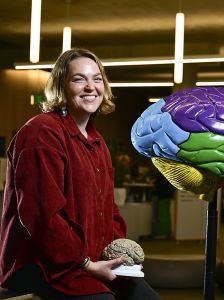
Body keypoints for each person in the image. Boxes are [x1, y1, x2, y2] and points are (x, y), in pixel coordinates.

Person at [0, 49, 161, 300]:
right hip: (44, 265)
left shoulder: (97, 142)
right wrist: (85, 264)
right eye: (79, 79)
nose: (90, 87)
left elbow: (109, 209)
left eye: (97, 79)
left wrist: (118, 257)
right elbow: (43, 217)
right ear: (61, 87)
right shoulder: (42, 133)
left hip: (92, 260)